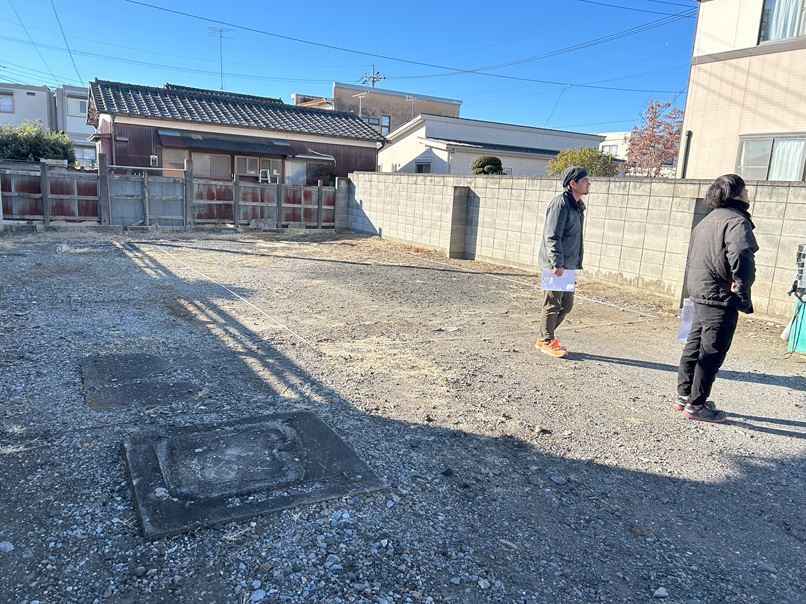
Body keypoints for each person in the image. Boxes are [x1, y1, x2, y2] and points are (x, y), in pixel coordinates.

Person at [676, 174, 758, 423]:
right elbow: (741, 254)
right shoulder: (736, 221)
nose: (748, 194)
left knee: (694, 346)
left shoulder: (707, 220)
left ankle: (685, 396)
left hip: (700, 292)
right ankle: (697, 405)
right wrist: (741, 286)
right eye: (745, 189)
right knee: (711, 352)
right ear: (735, 193)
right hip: (720, 295)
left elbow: (694, 257)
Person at [536, 165, 589, 357]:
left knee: (566, 305)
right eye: (584, 180)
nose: (588, 183)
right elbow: (552, 235)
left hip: (567, 265)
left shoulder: (576, 205)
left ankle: (543, 337)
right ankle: (547, 341)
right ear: (572, 183)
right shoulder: (560, 204)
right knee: (552, 303)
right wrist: (556, 262)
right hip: (556, 264)